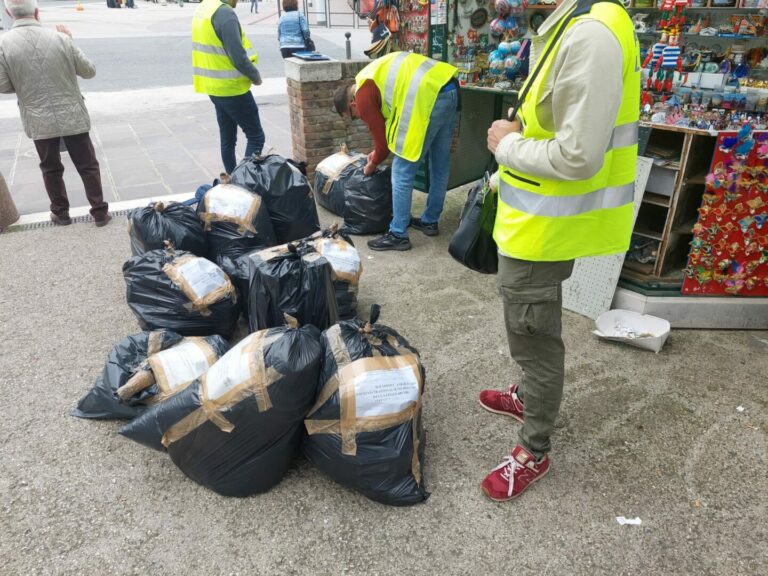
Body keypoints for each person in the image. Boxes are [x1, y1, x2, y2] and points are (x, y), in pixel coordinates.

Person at [480, 0, 640, 501]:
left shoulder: (589, 34)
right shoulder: (581, 21)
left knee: (534, 341)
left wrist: (507, 146)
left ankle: (534, 448)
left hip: (542, 230)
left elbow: (578, 156)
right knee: (531, 332)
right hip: (536, 221)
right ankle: (528, 397)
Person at [333, 50, 459, 252]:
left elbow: (383, 147)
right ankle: (430, 221)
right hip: (450, 89)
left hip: (428, 98)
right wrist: (376, 152)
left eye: (353, 116)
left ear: (352, 104)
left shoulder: (363, 97)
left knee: (401, 172)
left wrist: (372, 164)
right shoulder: (369, 76)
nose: (358, 118)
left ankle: (398, 234)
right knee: (439, 165)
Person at [0, 0, 110, 227]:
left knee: (50, 167)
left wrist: (24, 86)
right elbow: (89, 71)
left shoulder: (3, 44)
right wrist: (70, 41)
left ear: (9, 14)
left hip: (37, 116)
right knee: (87, 165)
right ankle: (99, 212)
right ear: (36, 12)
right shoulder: (60, 38)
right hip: (72, 113)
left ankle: (60, 213)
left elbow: (3, 85)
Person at [192, 0, 264, 174]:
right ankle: (245, 181)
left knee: (228, 140)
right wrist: (255, 76)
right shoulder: (225, 14)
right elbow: (238, 56)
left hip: (214, 87)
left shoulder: (204, 8)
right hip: (232, 88)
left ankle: (233, 180)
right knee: (256, 136)